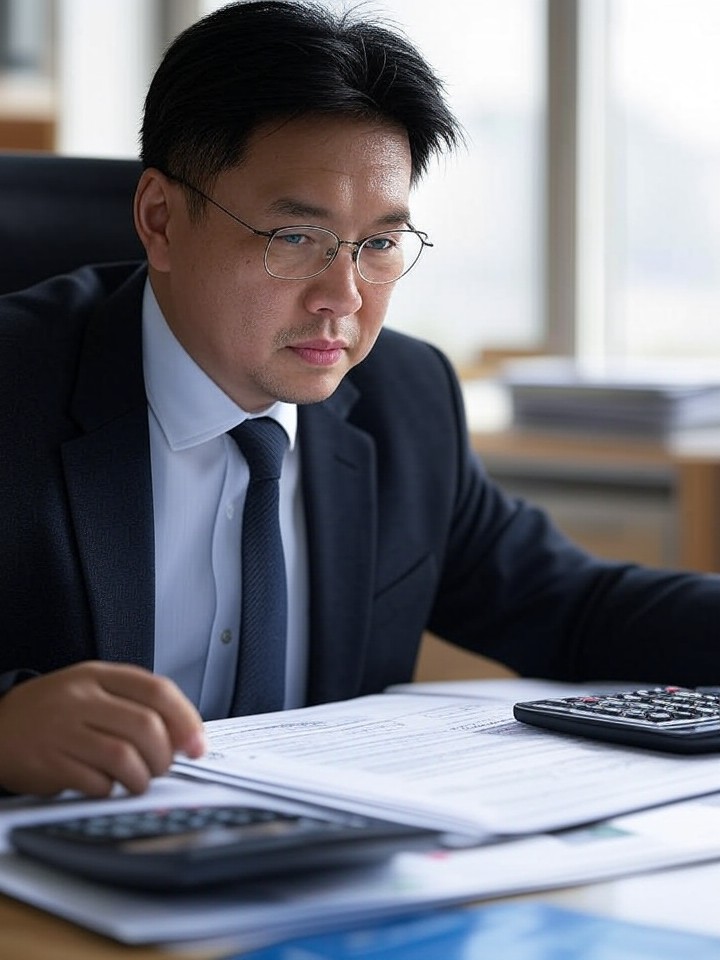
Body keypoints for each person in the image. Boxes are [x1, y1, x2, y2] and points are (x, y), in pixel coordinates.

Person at [0, 0, 718, 800]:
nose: (341, 297)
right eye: (294, 238)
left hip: (318, 878)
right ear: (161, 220)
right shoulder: (15, 384)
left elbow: (573, 606)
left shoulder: (403, 400)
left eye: (378, 244)